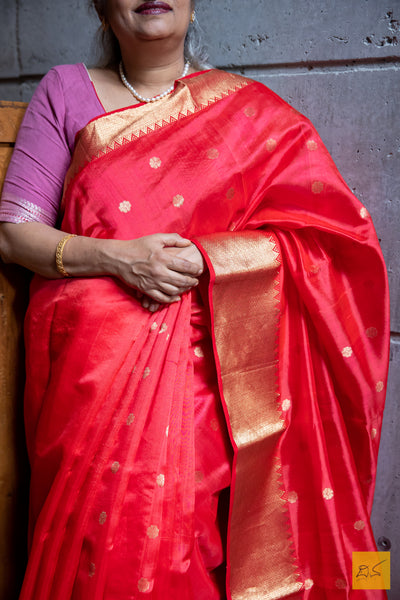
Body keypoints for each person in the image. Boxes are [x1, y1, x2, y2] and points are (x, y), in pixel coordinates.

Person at [0, 1, 390, 598]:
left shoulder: (249, 113)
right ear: (101, 8)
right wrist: (120, 259)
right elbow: (14, 233)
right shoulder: (67, 91)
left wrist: (212, 258)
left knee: (203, 537)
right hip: (97, 373)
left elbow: (334, 242)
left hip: (222, 375)